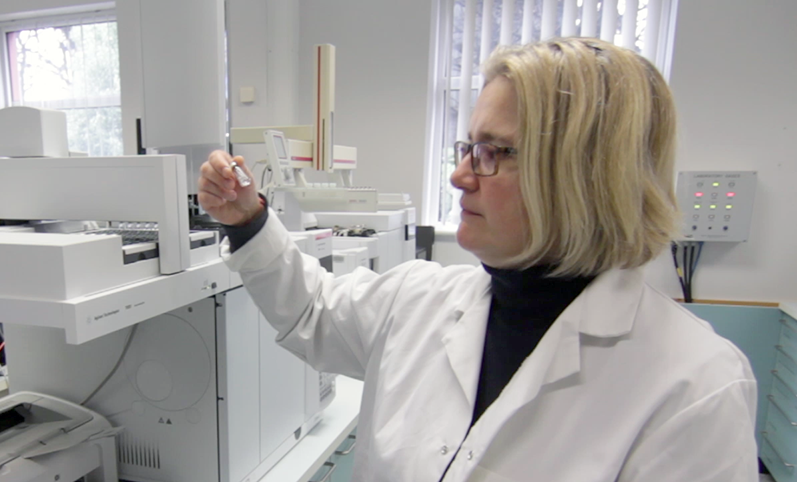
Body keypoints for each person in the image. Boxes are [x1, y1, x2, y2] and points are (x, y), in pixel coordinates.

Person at [198, 38, 757, 481]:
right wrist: (249, 219)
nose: (460, 175)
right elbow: (313, 310)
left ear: (584, 174)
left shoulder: (694, 385)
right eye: (467, 147)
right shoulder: (418, 299)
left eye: (494, 152)